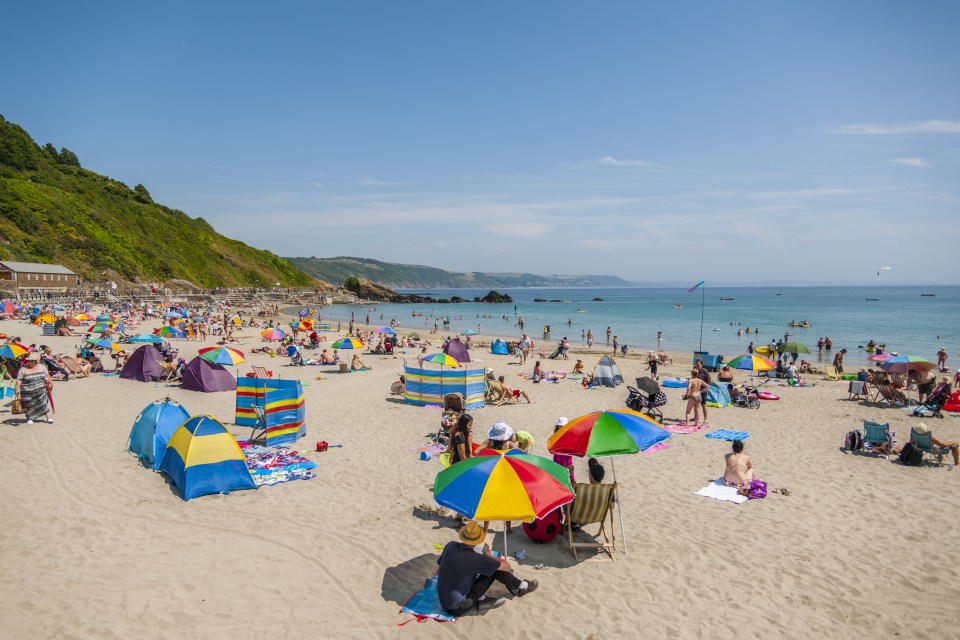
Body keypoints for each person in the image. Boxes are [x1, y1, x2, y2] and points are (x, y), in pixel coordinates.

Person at [432, 520, 539, 616]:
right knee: (496, 570)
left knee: (472, 572)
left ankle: (481, 598)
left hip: (443, 601)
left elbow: (434, 571)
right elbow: (507, 567)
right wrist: (489, 556)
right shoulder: (475, 559)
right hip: (458, 607)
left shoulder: (451, 545)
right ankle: (521, 587)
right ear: (478, 540)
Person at [15, 352, 53, 424]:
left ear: (36, 361)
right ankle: (30, 418)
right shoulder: (23, 369)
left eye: (31, 361)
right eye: (28, 361)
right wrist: (17, 389)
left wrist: (51, 383)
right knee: (29, 405)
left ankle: (48, 417)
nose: (29, 362)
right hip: (27, 392)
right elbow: (19, 380)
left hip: (41, 391)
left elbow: (47, 376)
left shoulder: (42, 367)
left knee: (43, 403)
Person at [551, 417, 575, 483]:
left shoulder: (568, 437)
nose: (560, 428)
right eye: (559, 426)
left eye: (561, 426)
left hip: (565, 465)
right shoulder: (556, 437)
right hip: (560, 465)